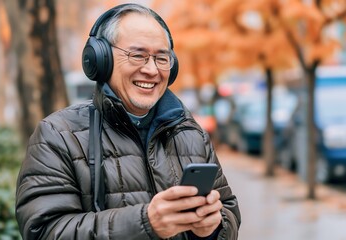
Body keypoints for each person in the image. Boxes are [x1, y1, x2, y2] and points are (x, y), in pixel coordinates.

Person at [15, 3, 241, 240]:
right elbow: (44, 231)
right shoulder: (57, 135)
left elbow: (230, 213)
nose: (152, 70)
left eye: (161, 58)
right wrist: (145, 223)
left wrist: (213, 227)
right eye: (138, 55)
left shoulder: (192, 133)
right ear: (101, 60)